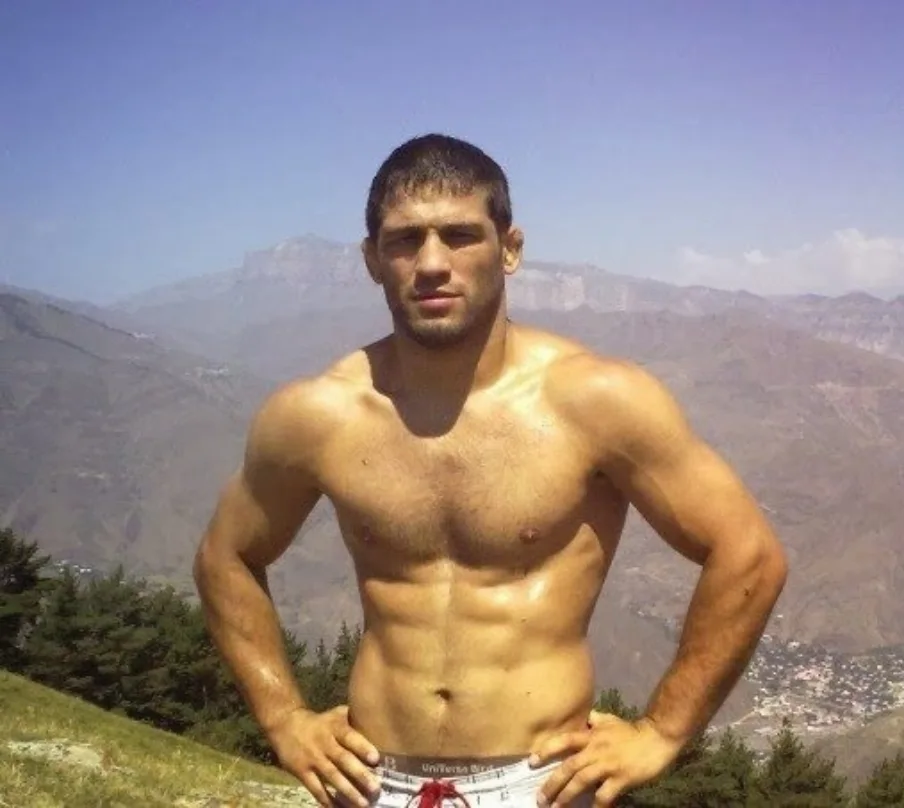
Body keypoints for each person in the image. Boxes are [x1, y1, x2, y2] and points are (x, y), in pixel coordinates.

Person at [192, 133, 788, 808]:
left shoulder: (594, 401)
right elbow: (225, 557)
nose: (432, 263)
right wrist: (284, 719)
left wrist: (661, 731)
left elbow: (749, 553)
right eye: (404, 240)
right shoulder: (318, 415)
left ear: (509, 249)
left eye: (459, 236)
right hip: (371, 780)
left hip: (542, 782)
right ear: (372, 260)